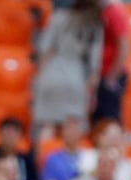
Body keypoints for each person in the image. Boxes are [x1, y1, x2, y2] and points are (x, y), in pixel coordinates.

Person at [32, 0, 103, 142]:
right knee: (73, 127)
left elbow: (45, 49)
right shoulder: (95, 25)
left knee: (48, 125)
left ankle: (43, 161)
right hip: (76, 78)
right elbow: (95, 63)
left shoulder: (58, 16)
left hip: (52, 73)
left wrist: (39, 77)